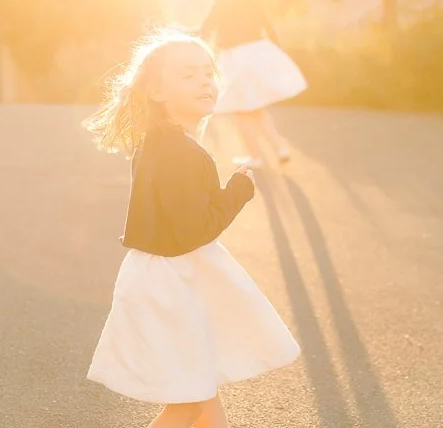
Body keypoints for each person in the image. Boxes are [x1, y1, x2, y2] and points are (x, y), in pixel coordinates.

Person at [83, 28, 300, 428]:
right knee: (188, 401)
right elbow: (194, 231)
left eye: (206, 72)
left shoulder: (162, 142)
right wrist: (238, 191)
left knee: (202, 389)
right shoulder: (177, 152)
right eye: (188, 75)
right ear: (157, 92)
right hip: (169, 285)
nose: (204, 81)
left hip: (166, 277)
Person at [198, 0, 308, 168]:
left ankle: (255, 156)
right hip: (258, 54)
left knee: (242, 109)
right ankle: (280, 148)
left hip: (236, 58)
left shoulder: (222, 3)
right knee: (254, 107)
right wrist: (278, 56)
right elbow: (269, 28)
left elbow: (206, 29)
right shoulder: (252, 1)